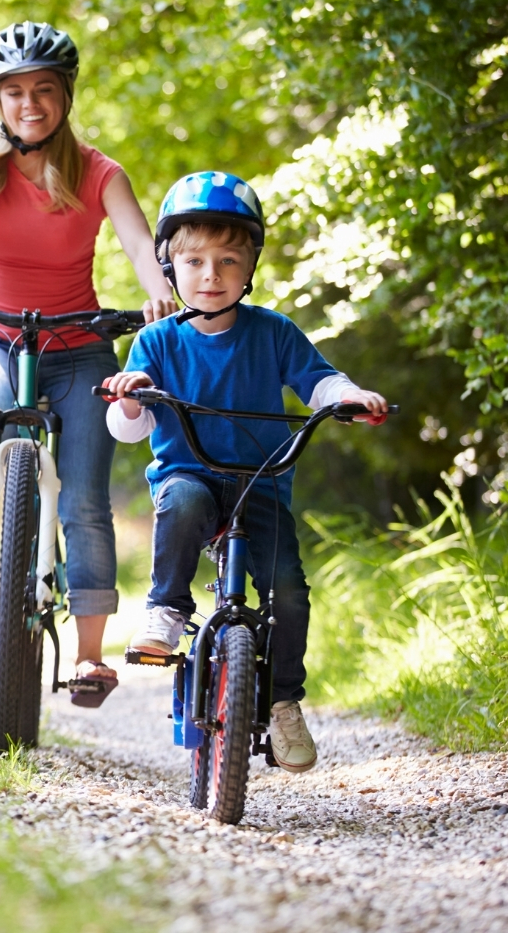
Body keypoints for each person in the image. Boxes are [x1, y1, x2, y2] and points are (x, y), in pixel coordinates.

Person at [0, 21, 177, 707]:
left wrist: (158, 284)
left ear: (66, 95)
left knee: (84, 501)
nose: (30, 104)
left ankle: (90, 657)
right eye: (14, 92)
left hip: (78, 352)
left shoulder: (101, 172)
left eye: (44, 90)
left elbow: (138, 240)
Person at [105, 170, 389, 771]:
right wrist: (133, 394)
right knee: (181, 504)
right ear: (169, 266)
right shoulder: (156, 341)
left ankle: (284, 701)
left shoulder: (273, 332)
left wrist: (349, 396)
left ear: (250, 265)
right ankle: (167, 607)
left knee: (287, 589)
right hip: (191, 474)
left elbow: (318, 380)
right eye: (196, 261)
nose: (212, 275)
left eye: (229, 260)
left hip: (260, 482)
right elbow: (130, 427)